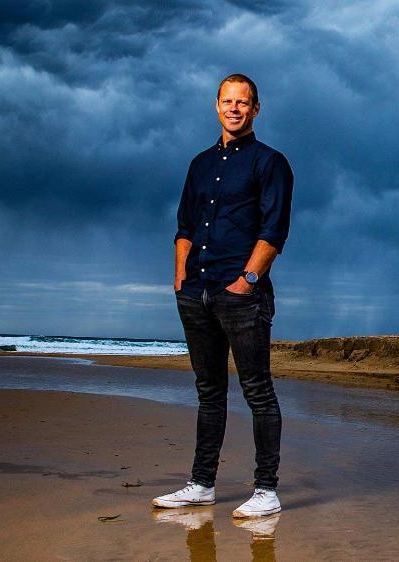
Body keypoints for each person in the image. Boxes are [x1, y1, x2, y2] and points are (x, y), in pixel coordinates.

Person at [152, 73, 294, 518]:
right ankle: (201, 484)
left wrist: (247, 281)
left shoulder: (270, 163)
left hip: (242, 295)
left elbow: (274, 230)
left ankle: (266, 490)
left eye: (243, 102)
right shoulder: (198, 164)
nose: (235, 108)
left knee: (258, 391)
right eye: (227, 101)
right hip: (197, 292)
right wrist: (181, 279)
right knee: (209, 391)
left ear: (255, 109)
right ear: (216, 106)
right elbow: (185, 226)